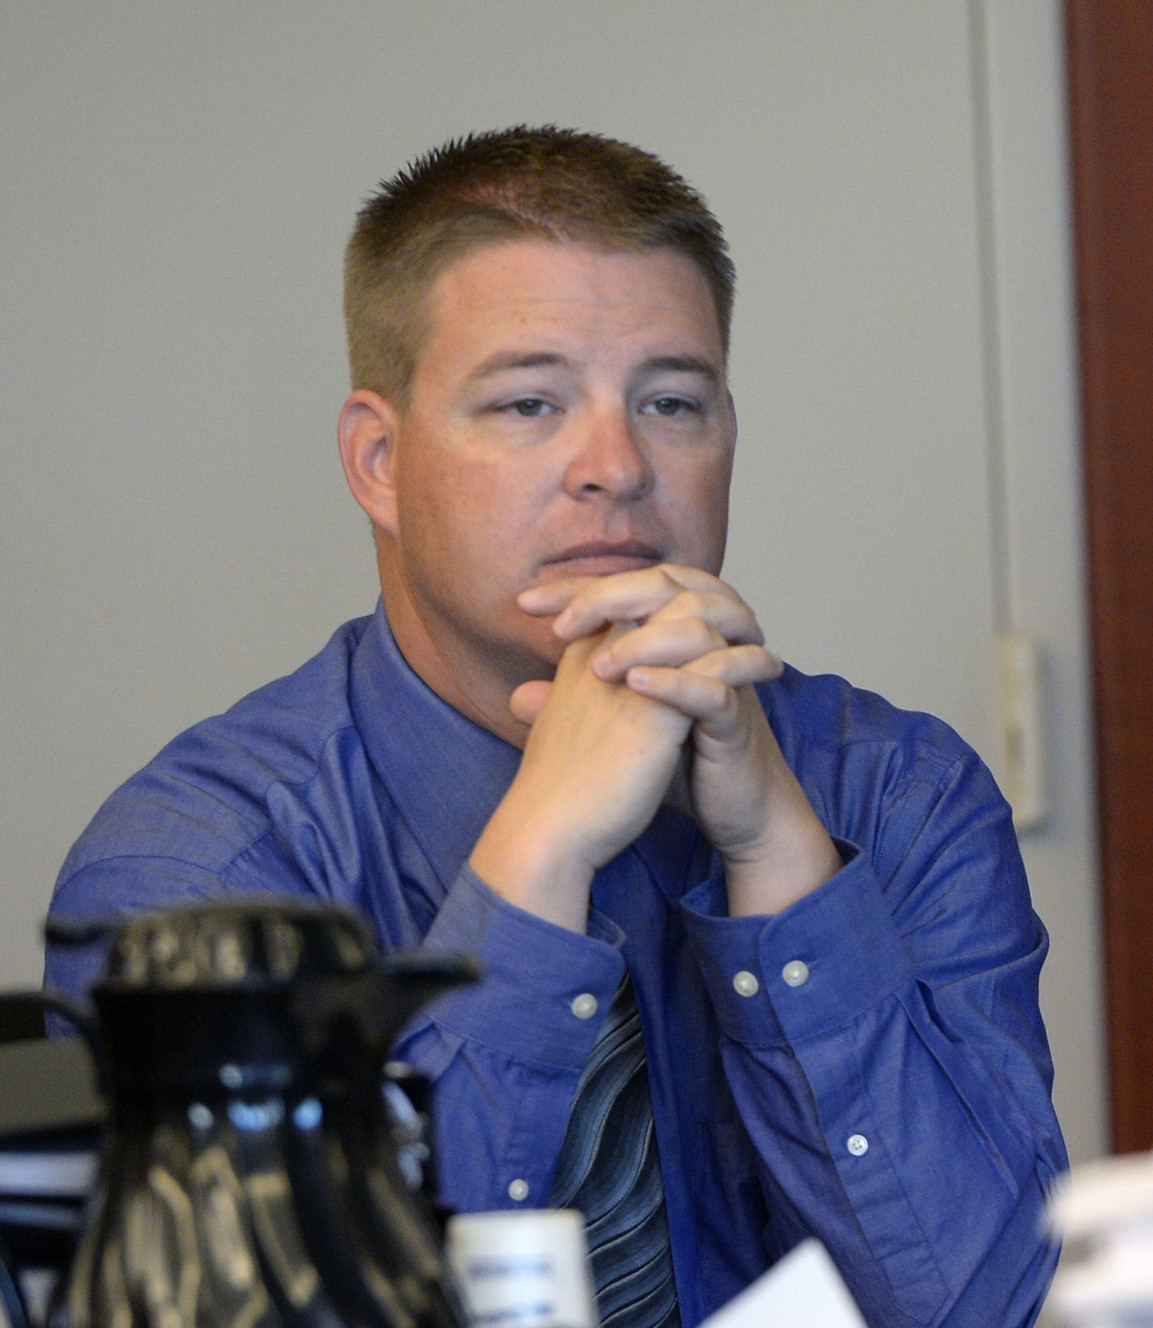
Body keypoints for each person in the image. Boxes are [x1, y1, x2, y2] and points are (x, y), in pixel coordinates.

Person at [46, 126, 1067, 1327]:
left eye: (670, 401)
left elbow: (993, 1306)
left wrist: (778, 859)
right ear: (378, 459)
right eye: (529, 402)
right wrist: (535, 860)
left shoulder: (893, 792)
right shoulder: (198, 874)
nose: (616, 465)